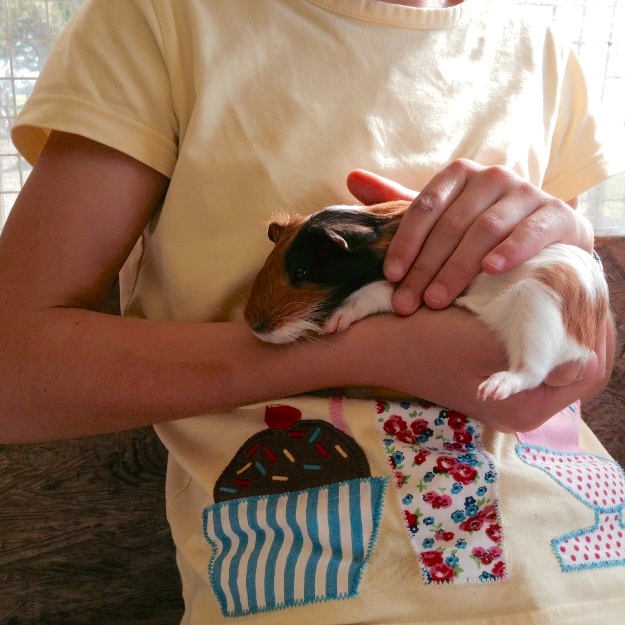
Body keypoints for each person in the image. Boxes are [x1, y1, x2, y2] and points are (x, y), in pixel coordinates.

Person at [0, 0, 623, 622]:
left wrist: (574, 249)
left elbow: (584, 367)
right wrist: (375, 352)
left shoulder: (542, 50)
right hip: (321, 581)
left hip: (594, 559)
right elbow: (15, 373)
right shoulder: (158, 19)